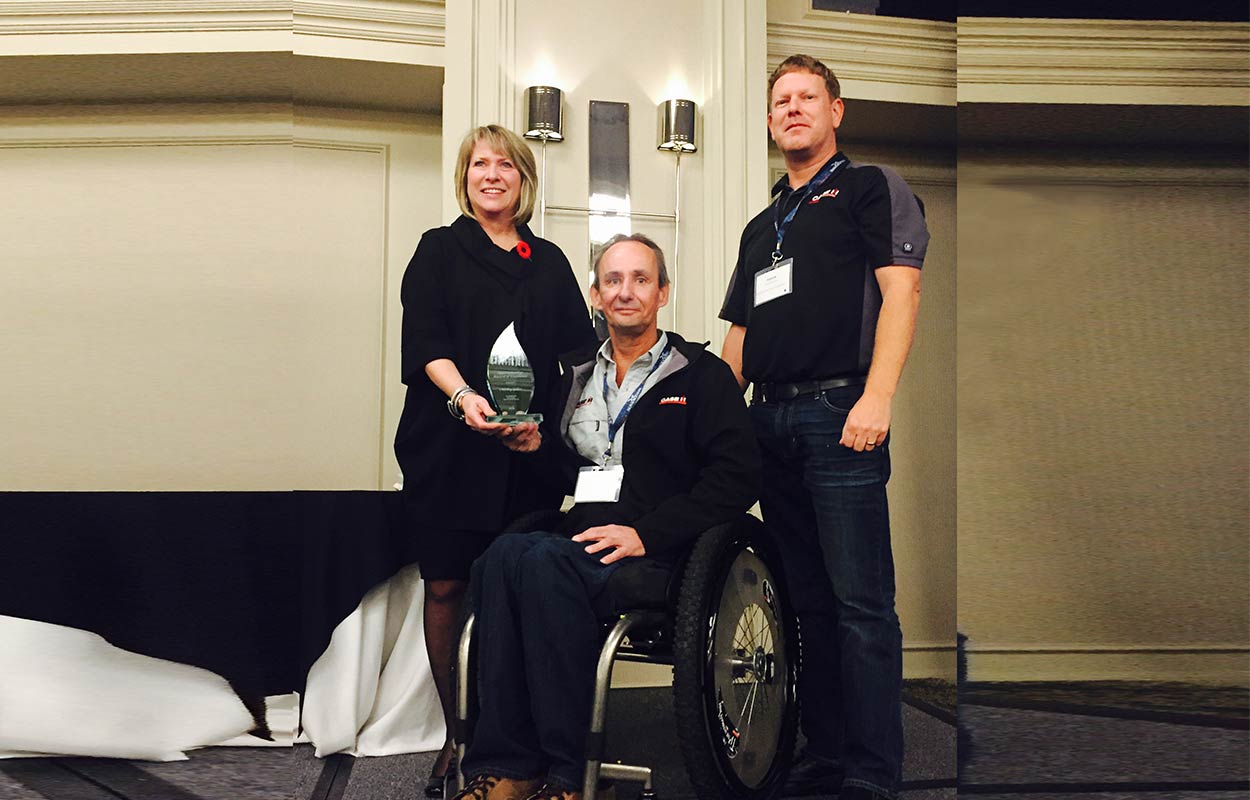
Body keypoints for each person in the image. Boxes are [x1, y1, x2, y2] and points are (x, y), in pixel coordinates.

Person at [452, 234, 760, 800]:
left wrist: (646, 533)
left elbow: (736, 480)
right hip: (580, 541)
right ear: (595, 295)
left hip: (663, 549)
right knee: (499, 557)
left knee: (542, 563)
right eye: (613, 280)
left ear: (662, 293)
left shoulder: (700, 375)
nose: (626, 292)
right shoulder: (573, 377)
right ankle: (508, 767)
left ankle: (568, 775)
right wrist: (533, 445)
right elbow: (566, 473)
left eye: (641, 279)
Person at [718, 55, 930, 800]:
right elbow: (738, 338)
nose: (794, 108)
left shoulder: (870, 188)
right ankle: (828, 751)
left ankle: (873, 774)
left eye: (809, 97)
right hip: (766, 422)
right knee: (804, 601)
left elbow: (901, 295)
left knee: (861, 606)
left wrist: (878, 398)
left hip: (842, 416)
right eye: (781, 100)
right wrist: (718, 421)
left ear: (836, 111)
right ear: (771, 119)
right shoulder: (761, 224)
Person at [395, 124, 596, 796]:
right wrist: (465, 401)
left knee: (515, 594)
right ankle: (458, 734)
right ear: (466, 175)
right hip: (448, 447)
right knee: (448, 587)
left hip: (526, 458)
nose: (492, 174)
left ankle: (513, 746)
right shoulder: (437, 250)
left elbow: (578, 362)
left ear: (523, 180)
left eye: (505, 164)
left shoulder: (550, 261)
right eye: (481, 163)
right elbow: (425, 344)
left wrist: (547, 431)